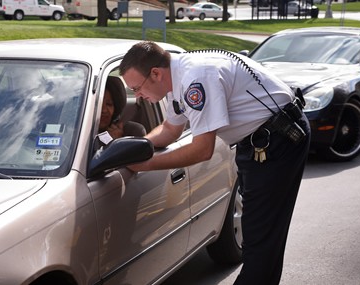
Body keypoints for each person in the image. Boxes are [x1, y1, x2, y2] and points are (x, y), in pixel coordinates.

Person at [119, 41, 311, 285]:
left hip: (279, 140)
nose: (137, 97)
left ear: (155, 73)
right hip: (258, 141)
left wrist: (145, 165)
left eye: (136, 88)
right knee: (260, 235)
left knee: (261, 238)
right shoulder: (176, 80)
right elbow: (169, 130)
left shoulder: (196, 80)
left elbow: (202, 150)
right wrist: (130, 150)